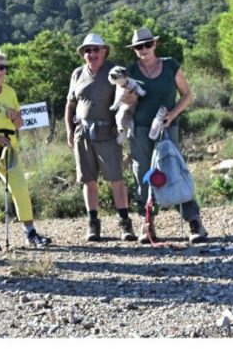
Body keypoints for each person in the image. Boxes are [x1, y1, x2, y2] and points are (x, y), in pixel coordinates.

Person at [125, 27, 208, 244]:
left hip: (167, 127)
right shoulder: (130, 71)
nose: (144, 49)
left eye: (147, 44)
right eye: (139, 47)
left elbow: (187, 95)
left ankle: (194, 221)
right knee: (143, 175)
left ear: (154, 44)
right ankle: (147, 223)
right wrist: (129, 98)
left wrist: (172, 115)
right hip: (141, 129)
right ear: (134, 50)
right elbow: (125, 102)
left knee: (174, 171)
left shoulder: (171, 65)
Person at [0, 50, 52, 251]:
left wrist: (15, 116)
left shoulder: (9, 92)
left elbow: (19, 123)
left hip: (9, 145)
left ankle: (30, 232)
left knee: (20, 187)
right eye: (1, 67)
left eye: (5, 67)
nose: (4, 71)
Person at [65, 34, 137, 242]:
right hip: (83, 133)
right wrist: (69, 130)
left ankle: (125, 223)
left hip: (108, 132)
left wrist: (121, 123)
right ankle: (93, 224)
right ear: (83, 54)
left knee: (116, 179)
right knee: (88, 180)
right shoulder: (77, 73)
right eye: (88, 50)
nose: (92, 54)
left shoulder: (115, 71)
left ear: (104, 51)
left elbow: (129, 98)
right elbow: (70, 105)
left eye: (96, 49)